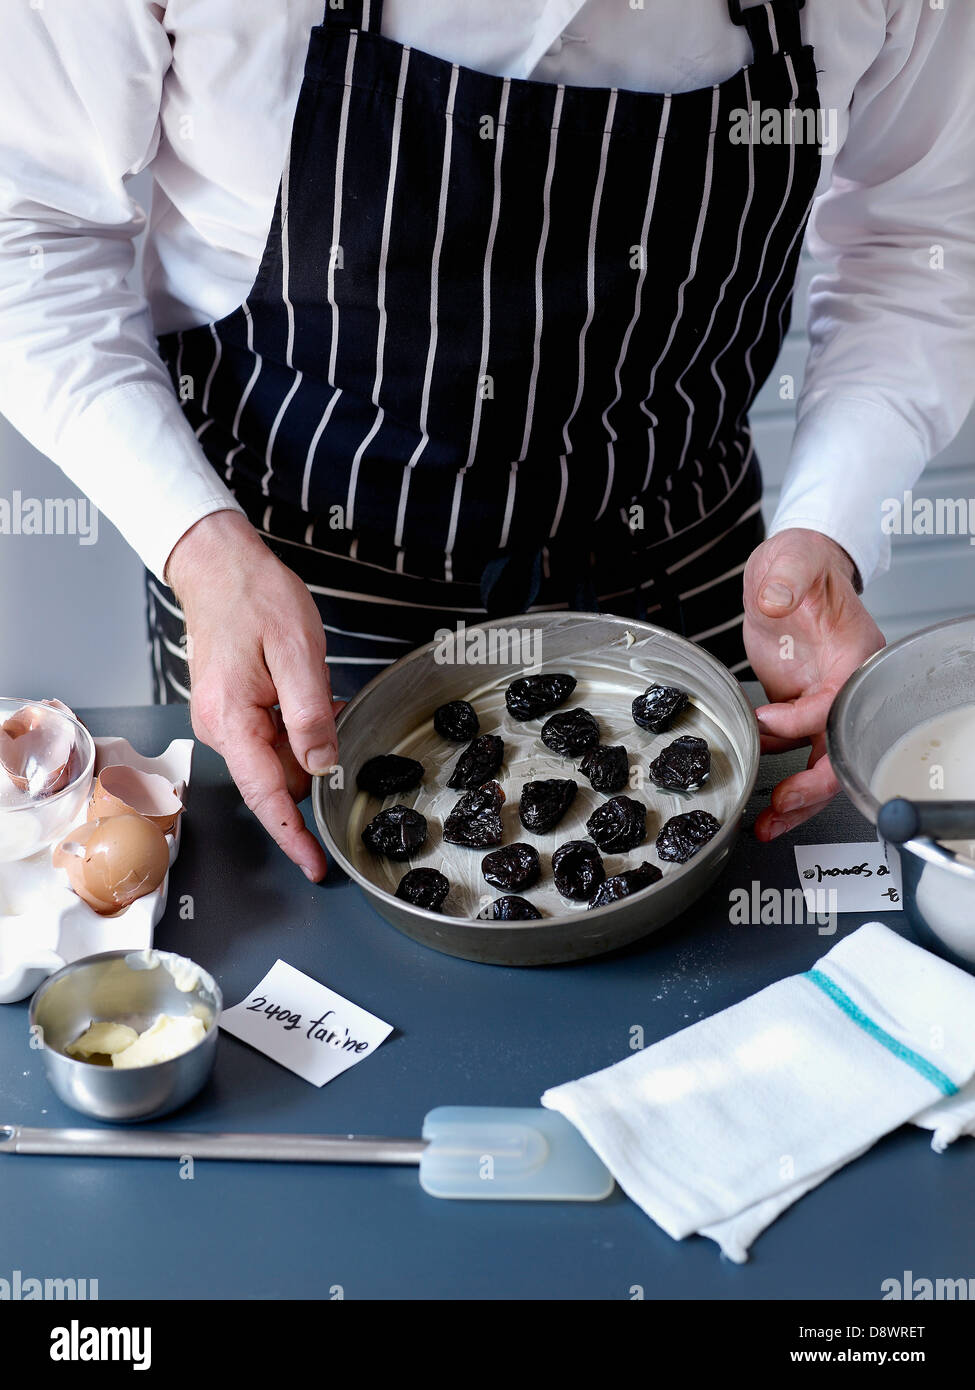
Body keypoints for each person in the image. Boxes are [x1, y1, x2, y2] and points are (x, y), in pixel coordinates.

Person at [1, 0, 973, 883]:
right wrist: (197, 545)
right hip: (284, 605)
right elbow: (29, 228)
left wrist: (830, 528)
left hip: (694, 588)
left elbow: (921, 239)